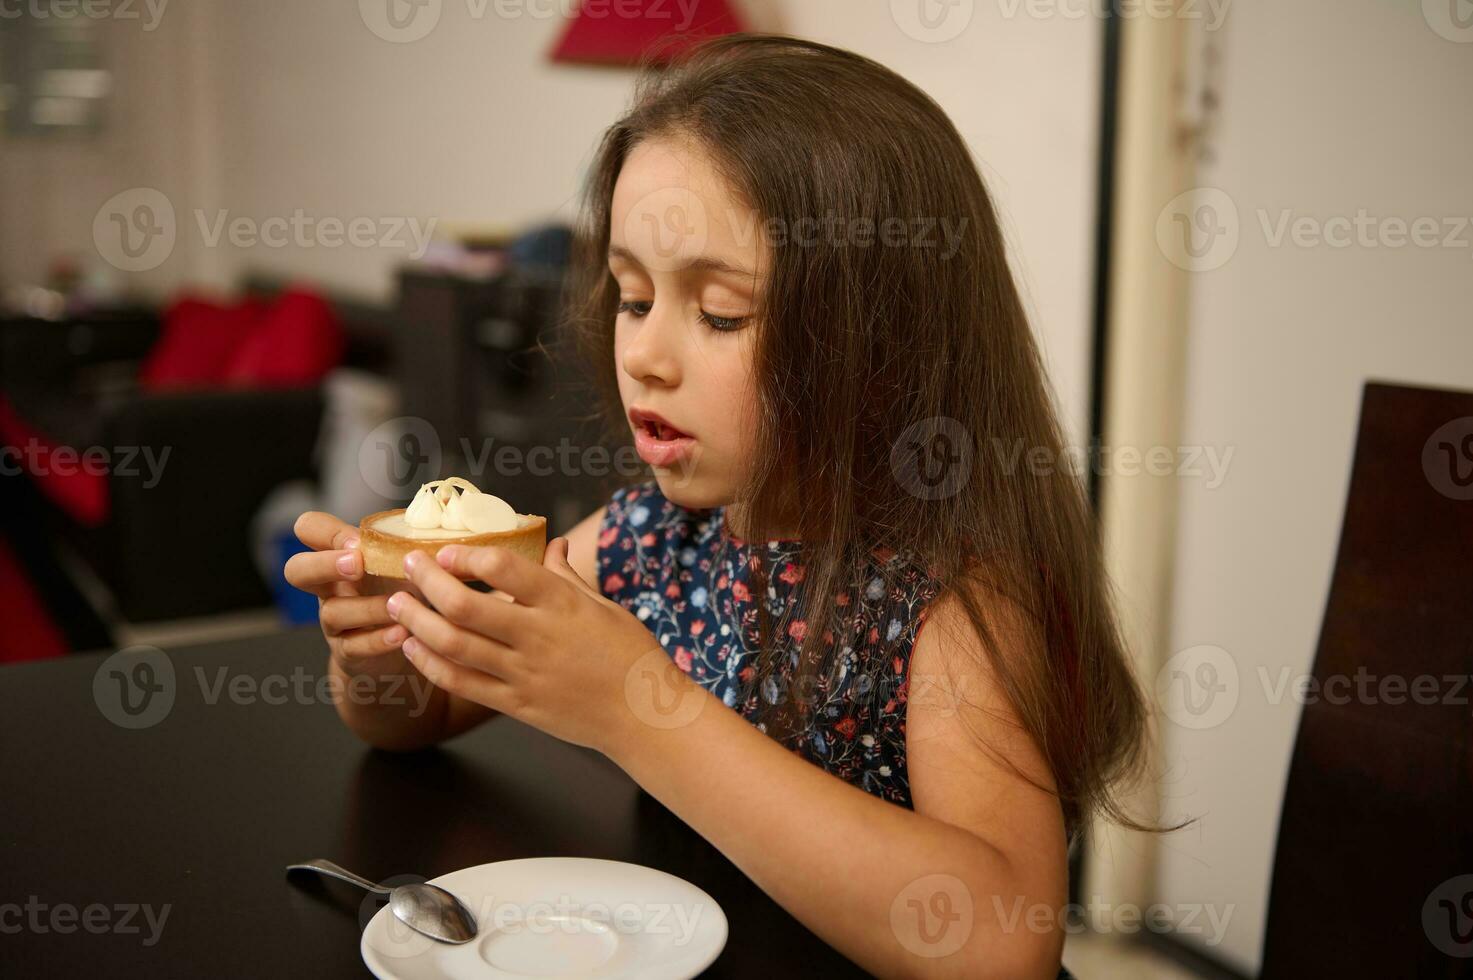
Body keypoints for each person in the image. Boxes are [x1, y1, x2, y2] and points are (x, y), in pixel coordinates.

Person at [287, 35, 1163, 978]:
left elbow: (999, 947)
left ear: (880, 346)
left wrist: (637, 709)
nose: (646, 356)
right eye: (631, 297)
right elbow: (410, 723)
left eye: (719, 315)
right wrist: (389, 648)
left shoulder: (952, 597)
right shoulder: (647, 539)